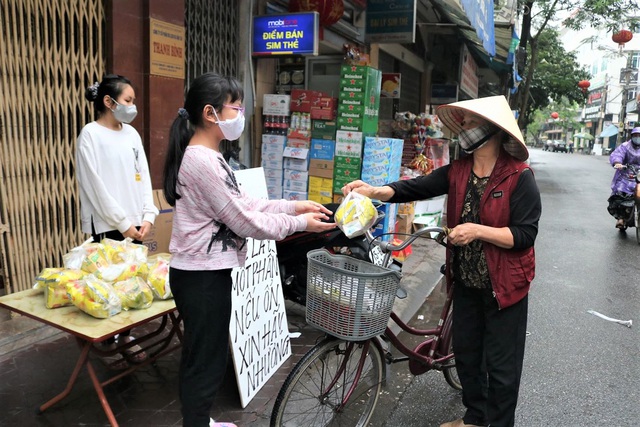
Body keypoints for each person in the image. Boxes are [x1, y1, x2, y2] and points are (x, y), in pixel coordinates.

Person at [342, 95, 542, 427]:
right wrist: (374, 190)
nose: (463, 127)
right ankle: (475, 418)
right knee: (467, 357)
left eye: (470, 122)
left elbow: (524, 235)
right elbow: (414, 188)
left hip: (504, 288)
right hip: (465, 282)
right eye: (462, 121)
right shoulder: (458, 170)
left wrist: (478, 231)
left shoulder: (520, 177)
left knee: (502, 369)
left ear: (491, 131)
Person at [162, 72, 336, 427]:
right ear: (211, 113)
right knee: (205, 360)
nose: (240, 114)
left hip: (203, 275)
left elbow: (245, 203)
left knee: (203, 355)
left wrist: (293, 206)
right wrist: (301, 224)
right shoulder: (202, 161)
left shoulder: (210, 157)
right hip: (201, 278)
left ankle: (200, 421)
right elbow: (244, 221)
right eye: (236, 107)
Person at [76, 74, 158, 369]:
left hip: (136, 223)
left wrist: (148, 215)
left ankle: (126, 336)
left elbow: (144, 175)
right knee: (109, 285)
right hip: (109, 225)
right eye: (128, 101)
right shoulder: (90, 135)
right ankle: (108, 339)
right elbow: (95, 187)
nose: (132, 106)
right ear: (108, 102)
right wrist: (122, 223)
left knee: (132, 283)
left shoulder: (132, 135)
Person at [607, 126, 640, 229]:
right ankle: (620, 218)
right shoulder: (625, 146)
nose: (637, 137)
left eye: (639, 136)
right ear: (632, 136)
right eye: (635, 136)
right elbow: (617, 155)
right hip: (626, 174)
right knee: (620, 193)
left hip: (639, 174)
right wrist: (617, 163)